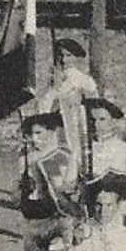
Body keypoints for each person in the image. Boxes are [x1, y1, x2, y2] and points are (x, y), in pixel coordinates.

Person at [17, 111, 79, 251]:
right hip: (35, 213)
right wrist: (22, 188)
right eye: (31, 134)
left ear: (51, 132)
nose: (34, 138)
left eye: (39, 133)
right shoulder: (25, 158)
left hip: (60, 214)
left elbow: (69, 186)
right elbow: (17, 191)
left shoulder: (64, 156)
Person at [83, 98, 126, 229]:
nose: (96, 124)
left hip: (116, 223)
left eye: (102, 119)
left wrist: (115, 210)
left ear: (113, 122)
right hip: (86, 223)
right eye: (92, 120)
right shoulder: (81, 152)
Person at [32, 39, 99, 168]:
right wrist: (55, 89)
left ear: (76, 57)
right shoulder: (55, 81)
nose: (64, 59)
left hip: (77, 128)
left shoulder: (85, 81)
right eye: (61, 55)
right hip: (57, 131)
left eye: (68, 55)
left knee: (78, 161)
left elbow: (95, 107)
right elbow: (42, 109)